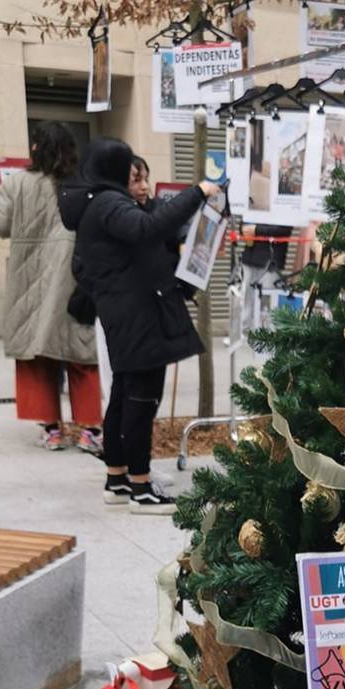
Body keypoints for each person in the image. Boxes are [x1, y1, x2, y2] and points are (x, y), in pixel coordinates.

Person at [59, 138, 217, 513]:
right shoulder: (110, 204)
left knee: (124, 396)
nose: (140, 184)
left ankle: (118, 480)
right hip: (137, 316)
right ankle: (141, 488)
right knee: (141, 399)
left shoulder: (100, 203)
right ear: (115, 170)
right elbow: (147, 229)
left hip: (130, 313)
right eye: (132, 173)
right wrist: (198, 191)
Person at [0, 121, 102, 453]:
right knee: (82, 352)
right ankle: (90, 429)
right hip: (74, 277)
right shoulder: (83, 185)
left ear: (36, 148)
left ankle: (51, 429)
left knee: (36, 355)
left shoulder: (16, 183)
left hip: (29, 278)